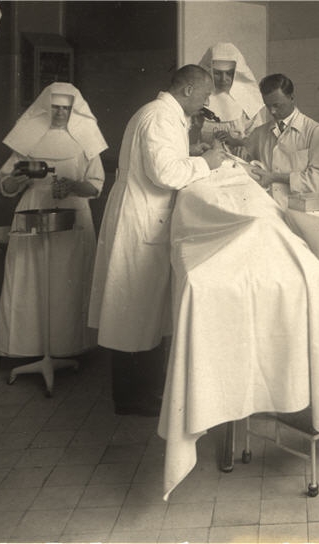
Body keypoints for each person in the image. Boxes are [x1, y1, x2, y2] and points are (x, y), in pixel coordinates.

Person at [88, 64, 227, 416]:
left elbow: (164, 159)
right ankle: (133, 398)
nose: (208, 100)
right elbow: (165, 173)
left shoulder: (162, 114)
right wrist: (207, 163)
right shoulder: (160, 118)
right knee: (133, 307)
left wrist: (193, 152)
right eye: (205, 94)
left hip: (144, 214)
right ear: (187, 90)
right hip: (142, 220)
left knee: (140, 309)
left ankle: (142, 390)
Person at [0, 82, 107, 359]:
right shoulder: (29, 140)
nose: (60, 113)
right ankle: (29, 348)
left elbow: (95, 186)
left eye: (65, 108)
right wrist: (14, 180)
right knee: (31, 277)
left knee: (68, 279)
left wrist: (72, 186)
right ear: (47, 108)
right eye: (55, 107)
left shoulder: (86, 141)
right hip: (33, 207)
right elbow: (7, 186)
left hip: (74, 213)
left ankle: (70, 348)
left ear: (74, 110)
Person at [245, 73, 319, 206]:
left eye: (277, 105)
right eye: (268, 106)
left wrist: (273, 177)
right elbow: (244, 161)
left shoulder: (314, 131)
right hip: (267, 209)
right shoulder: (259, 133)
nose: (272, 112)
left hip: (299, 211)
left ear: (291, 97)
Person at [192, 42, 269, 158]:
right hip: (205, 160)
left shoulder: (247, 100)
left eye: (229, 73)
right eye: (217, 73)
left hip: (239, 161)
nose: (224, 79)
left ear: (237, 72)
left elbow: (259, 140)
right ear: (209, 71)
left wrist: (241, 145)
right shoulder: (197, 100)